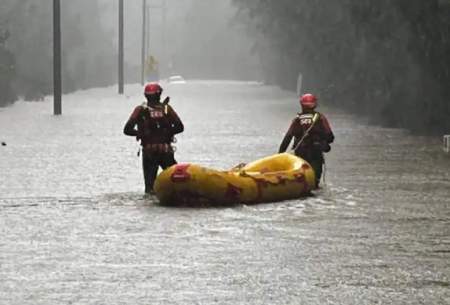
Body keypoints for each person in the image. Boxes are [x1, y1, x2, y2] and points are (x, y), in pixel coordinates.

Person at [124, 83, 184, 194]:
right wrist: (167, 133)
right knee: (177, 181)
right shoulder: (166, 109)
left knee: (149, 187)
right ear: (159, 94)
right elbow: (180, 127)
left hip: (149, 152)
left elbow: (127, 130)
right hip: (166, 151)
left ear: (146, 95)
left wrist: (140, 133)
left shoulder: (140, 110)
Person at [278, 93, 334, 188]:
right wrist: (323, 142)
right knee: (314, 183)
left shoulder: (297, 119)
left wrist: (280, 155)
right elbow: (330, 137)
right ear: (314, 104)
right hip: (315, 154)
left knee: (300, 180)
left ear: (302, 105)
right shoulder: (320, 118)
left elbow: (287, 138)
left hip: (300, 154)